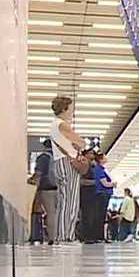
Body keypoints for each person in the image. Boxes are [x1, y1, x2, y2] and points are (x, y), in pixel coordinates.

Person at [48, 95, 87, 243]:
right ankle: (67, 236)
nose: (72, 111)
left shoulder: (53, 125)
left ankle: (60, 235)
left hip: (58, 163)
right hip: (67, 163)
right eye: (70, 108)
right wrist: (79, 143)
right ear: (64, 109)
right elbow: (81, 142)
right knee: (70, 202)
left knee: (63, 202)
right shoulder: (62, 125)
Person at [32, 139, 57, 245]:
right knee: (56, 213)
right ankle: (59, 235)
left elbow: (38, 174)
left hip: (46, 188)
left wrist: (34, 189)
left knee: (50, 213)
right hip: (59, 188)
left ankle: (52, 237)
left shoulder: (43, 157)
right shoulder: (58, 157)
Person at [85, 154, 113, 244]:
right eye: (104, 156)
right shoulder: (99, 170)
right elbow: (104, 183)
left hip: (100, 195)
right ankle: (98, 236)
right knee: (99, 217)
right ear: (100, 159)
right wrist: (113, 184)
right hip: (101, 195)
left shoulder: (99, 169)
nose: (106, 158)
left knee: (99, 216)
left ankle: (99, 236)